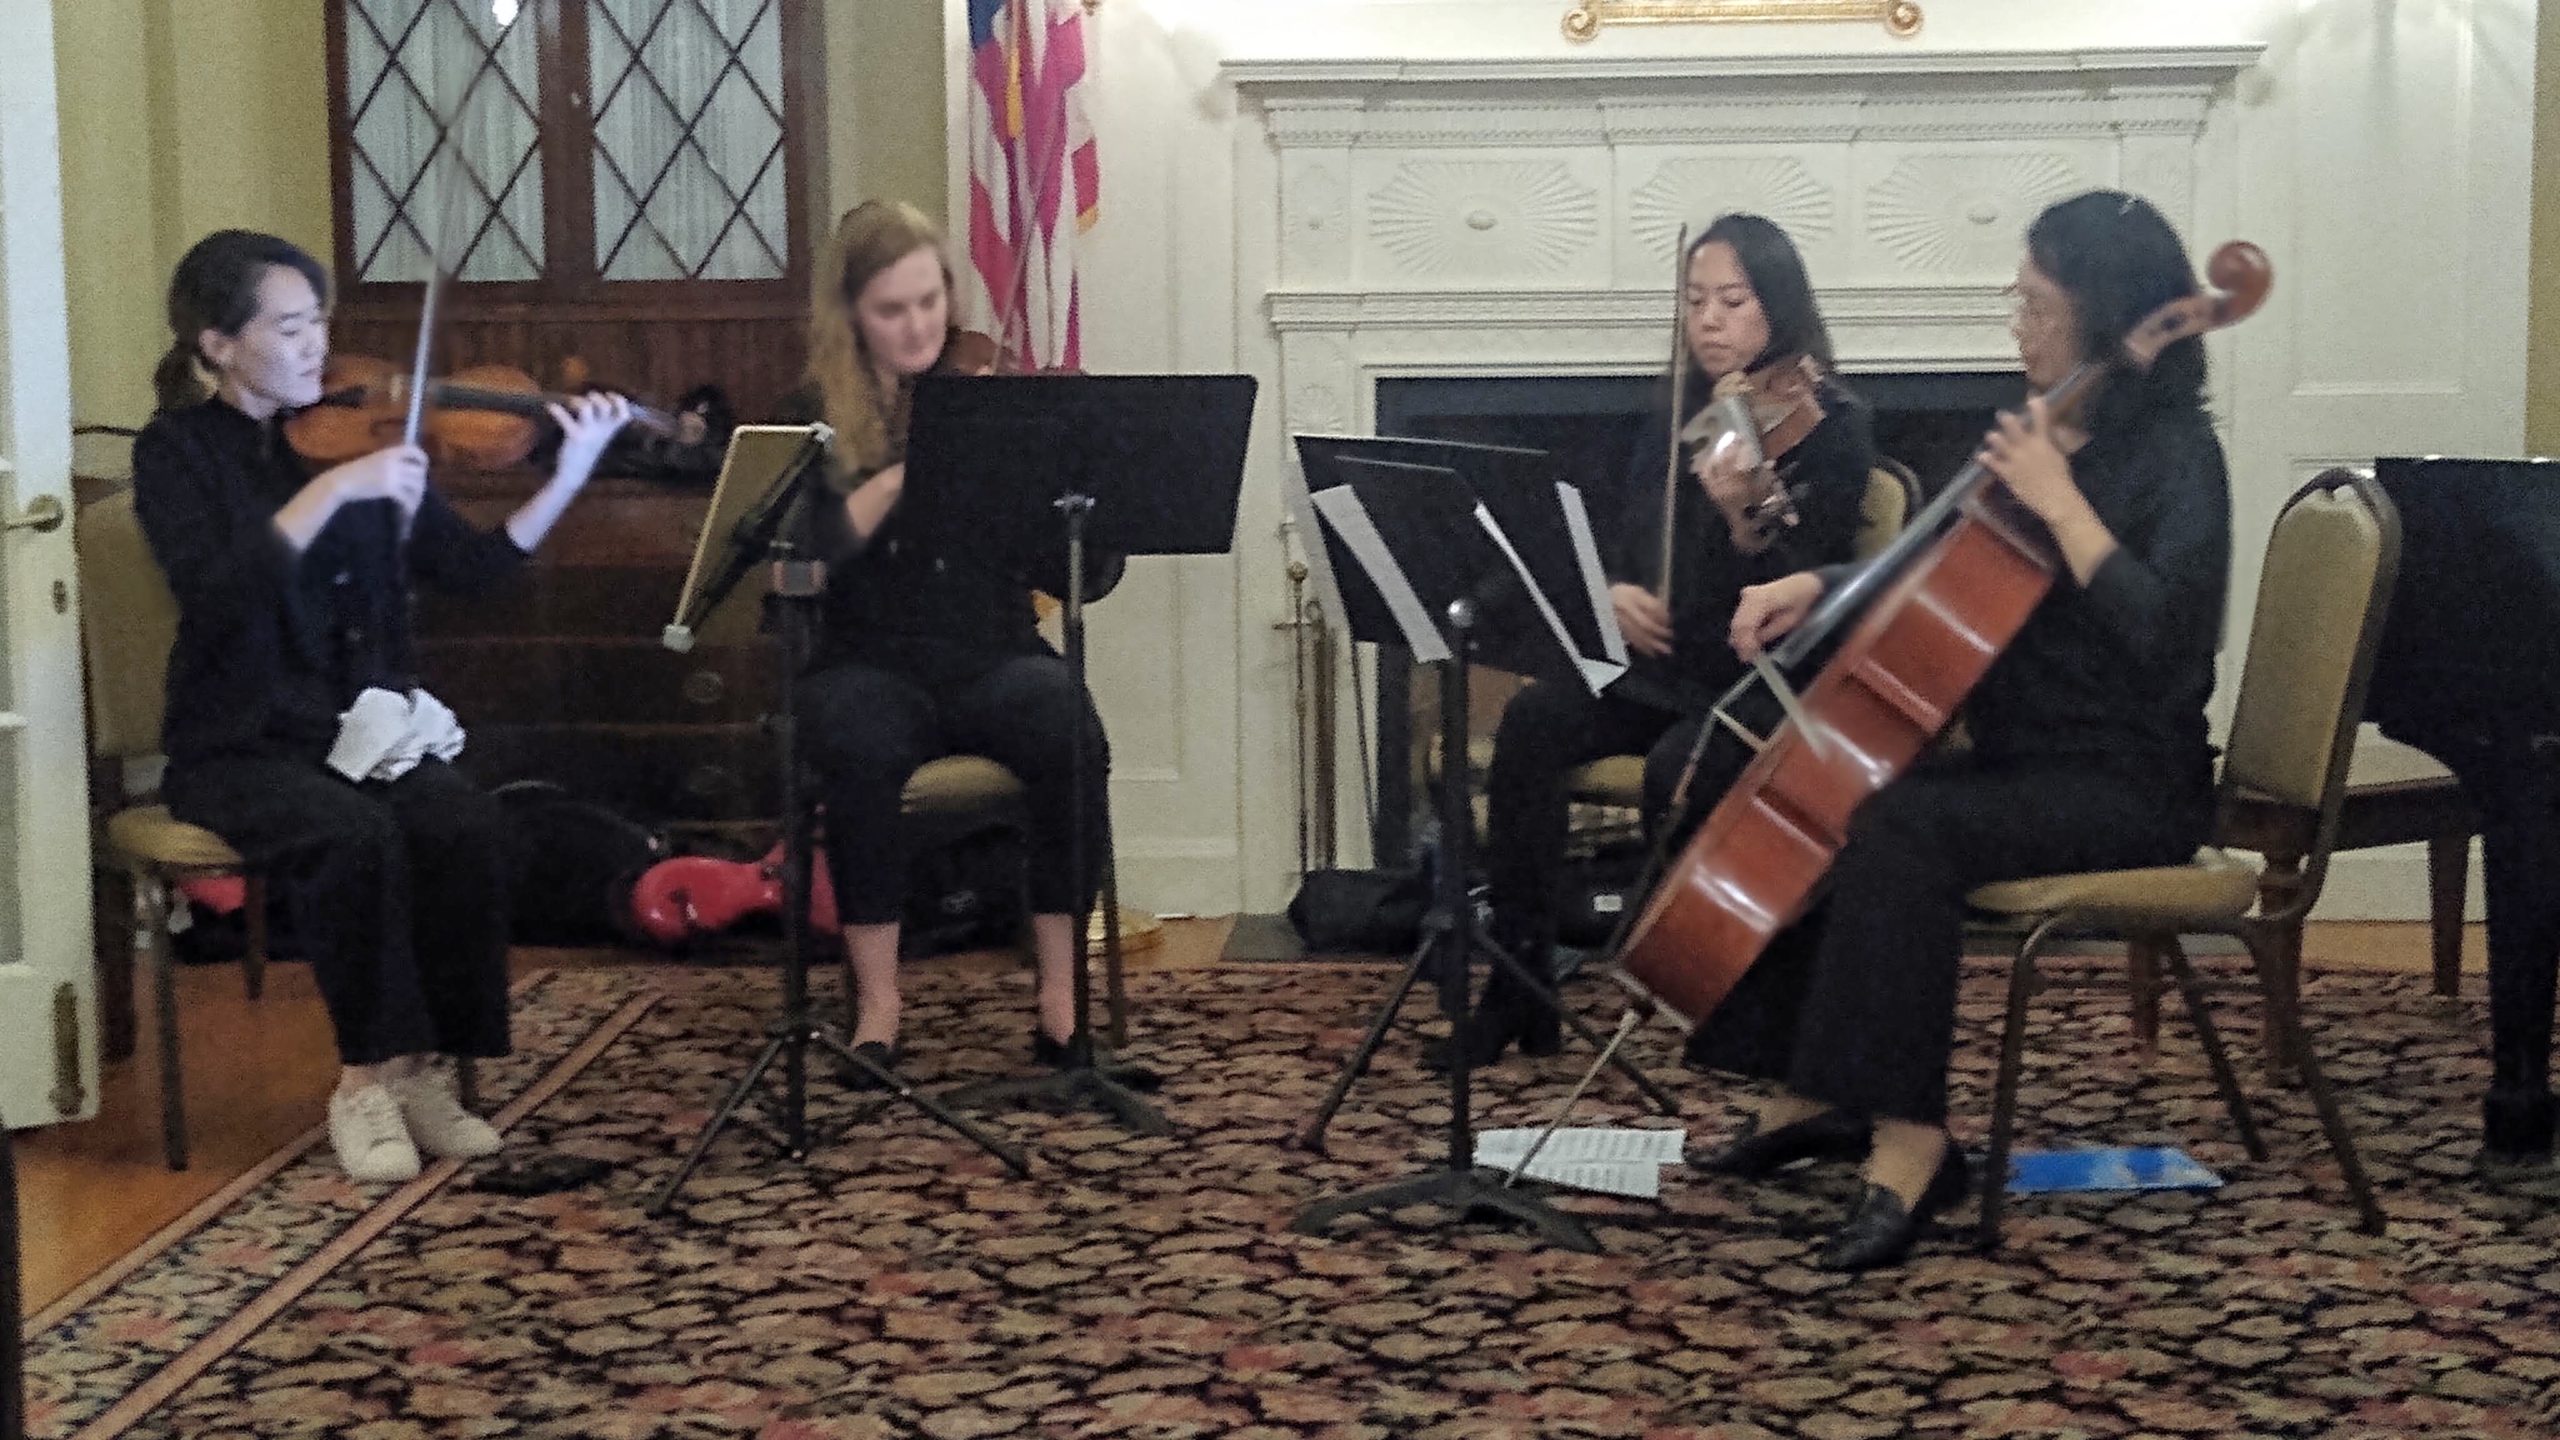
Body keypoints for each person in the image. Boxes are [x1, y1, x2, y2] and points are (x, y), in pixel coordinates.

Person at [1687, 190, 2233, 1271]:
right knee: (1822, 785)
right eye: (2015, 301)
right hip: (2021, 763)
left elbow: (2174, 646)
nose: (2018, 327)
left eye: (2038, 306)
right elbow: (1931, 572)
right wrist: (1816, 584)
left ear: (2106, 315)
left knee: (1904, 829)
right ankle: (1811, 1091)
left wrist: (2063, 505)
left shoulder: (2176, 454)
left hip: (2131, 785)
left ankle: (1913, 1146)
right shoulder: (2043, 430)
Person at [133, 229, 633, 1182]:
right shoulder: (179, 453)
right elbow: (218, 592)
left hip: (357, 734)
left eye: (319, 322)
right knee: (351, 836)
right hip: (238, 743)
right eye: (289, 327)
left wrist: (570, 473)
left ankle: (423, 1073)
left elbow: (475, 570)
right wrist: (333, 495)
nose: (317, 346)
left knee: (462, 823)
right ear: (218, 345)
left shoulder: (361, 438)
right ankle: (363, 1082)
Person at [1456, 214, 1875, 1069]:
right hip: (1659, 669)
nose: (1709, 321)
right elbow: (1628, 539)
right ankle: (1518, 984)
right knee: (1533, 724)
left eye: (1733, 301)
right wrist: (1614, 595)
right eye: (1695, 301)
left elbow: (1812, 589)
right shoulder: (1681, 414)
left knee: (1675, 771)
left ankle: (1715, 994)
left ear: (1779, 305)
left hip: (1753, 679)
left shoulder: (1830, 422)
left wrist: (1745, 511)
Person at [789, 200, 1117, 1074]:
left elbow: (1073, 571)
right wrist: (901, 474)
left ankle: (1059, 999)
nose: (917, 327)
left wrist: (1077, 497)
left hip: (992, 651)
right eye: (892, 310)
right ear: (851, 314)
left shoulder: (992, 400)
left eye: (930, 302)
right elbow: (803, 561)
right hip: (866, 658)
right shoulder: (815, 417)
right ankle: (879, 1004)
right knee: (857, 749)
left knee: (1068, 731)